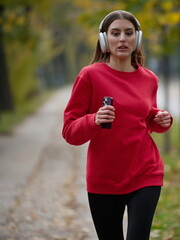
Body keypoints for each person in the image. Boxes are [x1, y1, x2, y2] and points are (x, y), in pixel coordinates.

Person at [62, 10, 172, 240]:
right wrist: (94, 119)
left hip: (145, 172)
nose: (123, 39)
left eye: (128, 33)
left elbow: (147, 120)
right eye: (116, 33)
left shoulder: (149, 78)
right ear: (105, 39)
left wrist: (160, 120)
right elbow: (70, 132)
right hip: (104, 178)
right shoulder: (90, 76)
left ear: (137, 39)